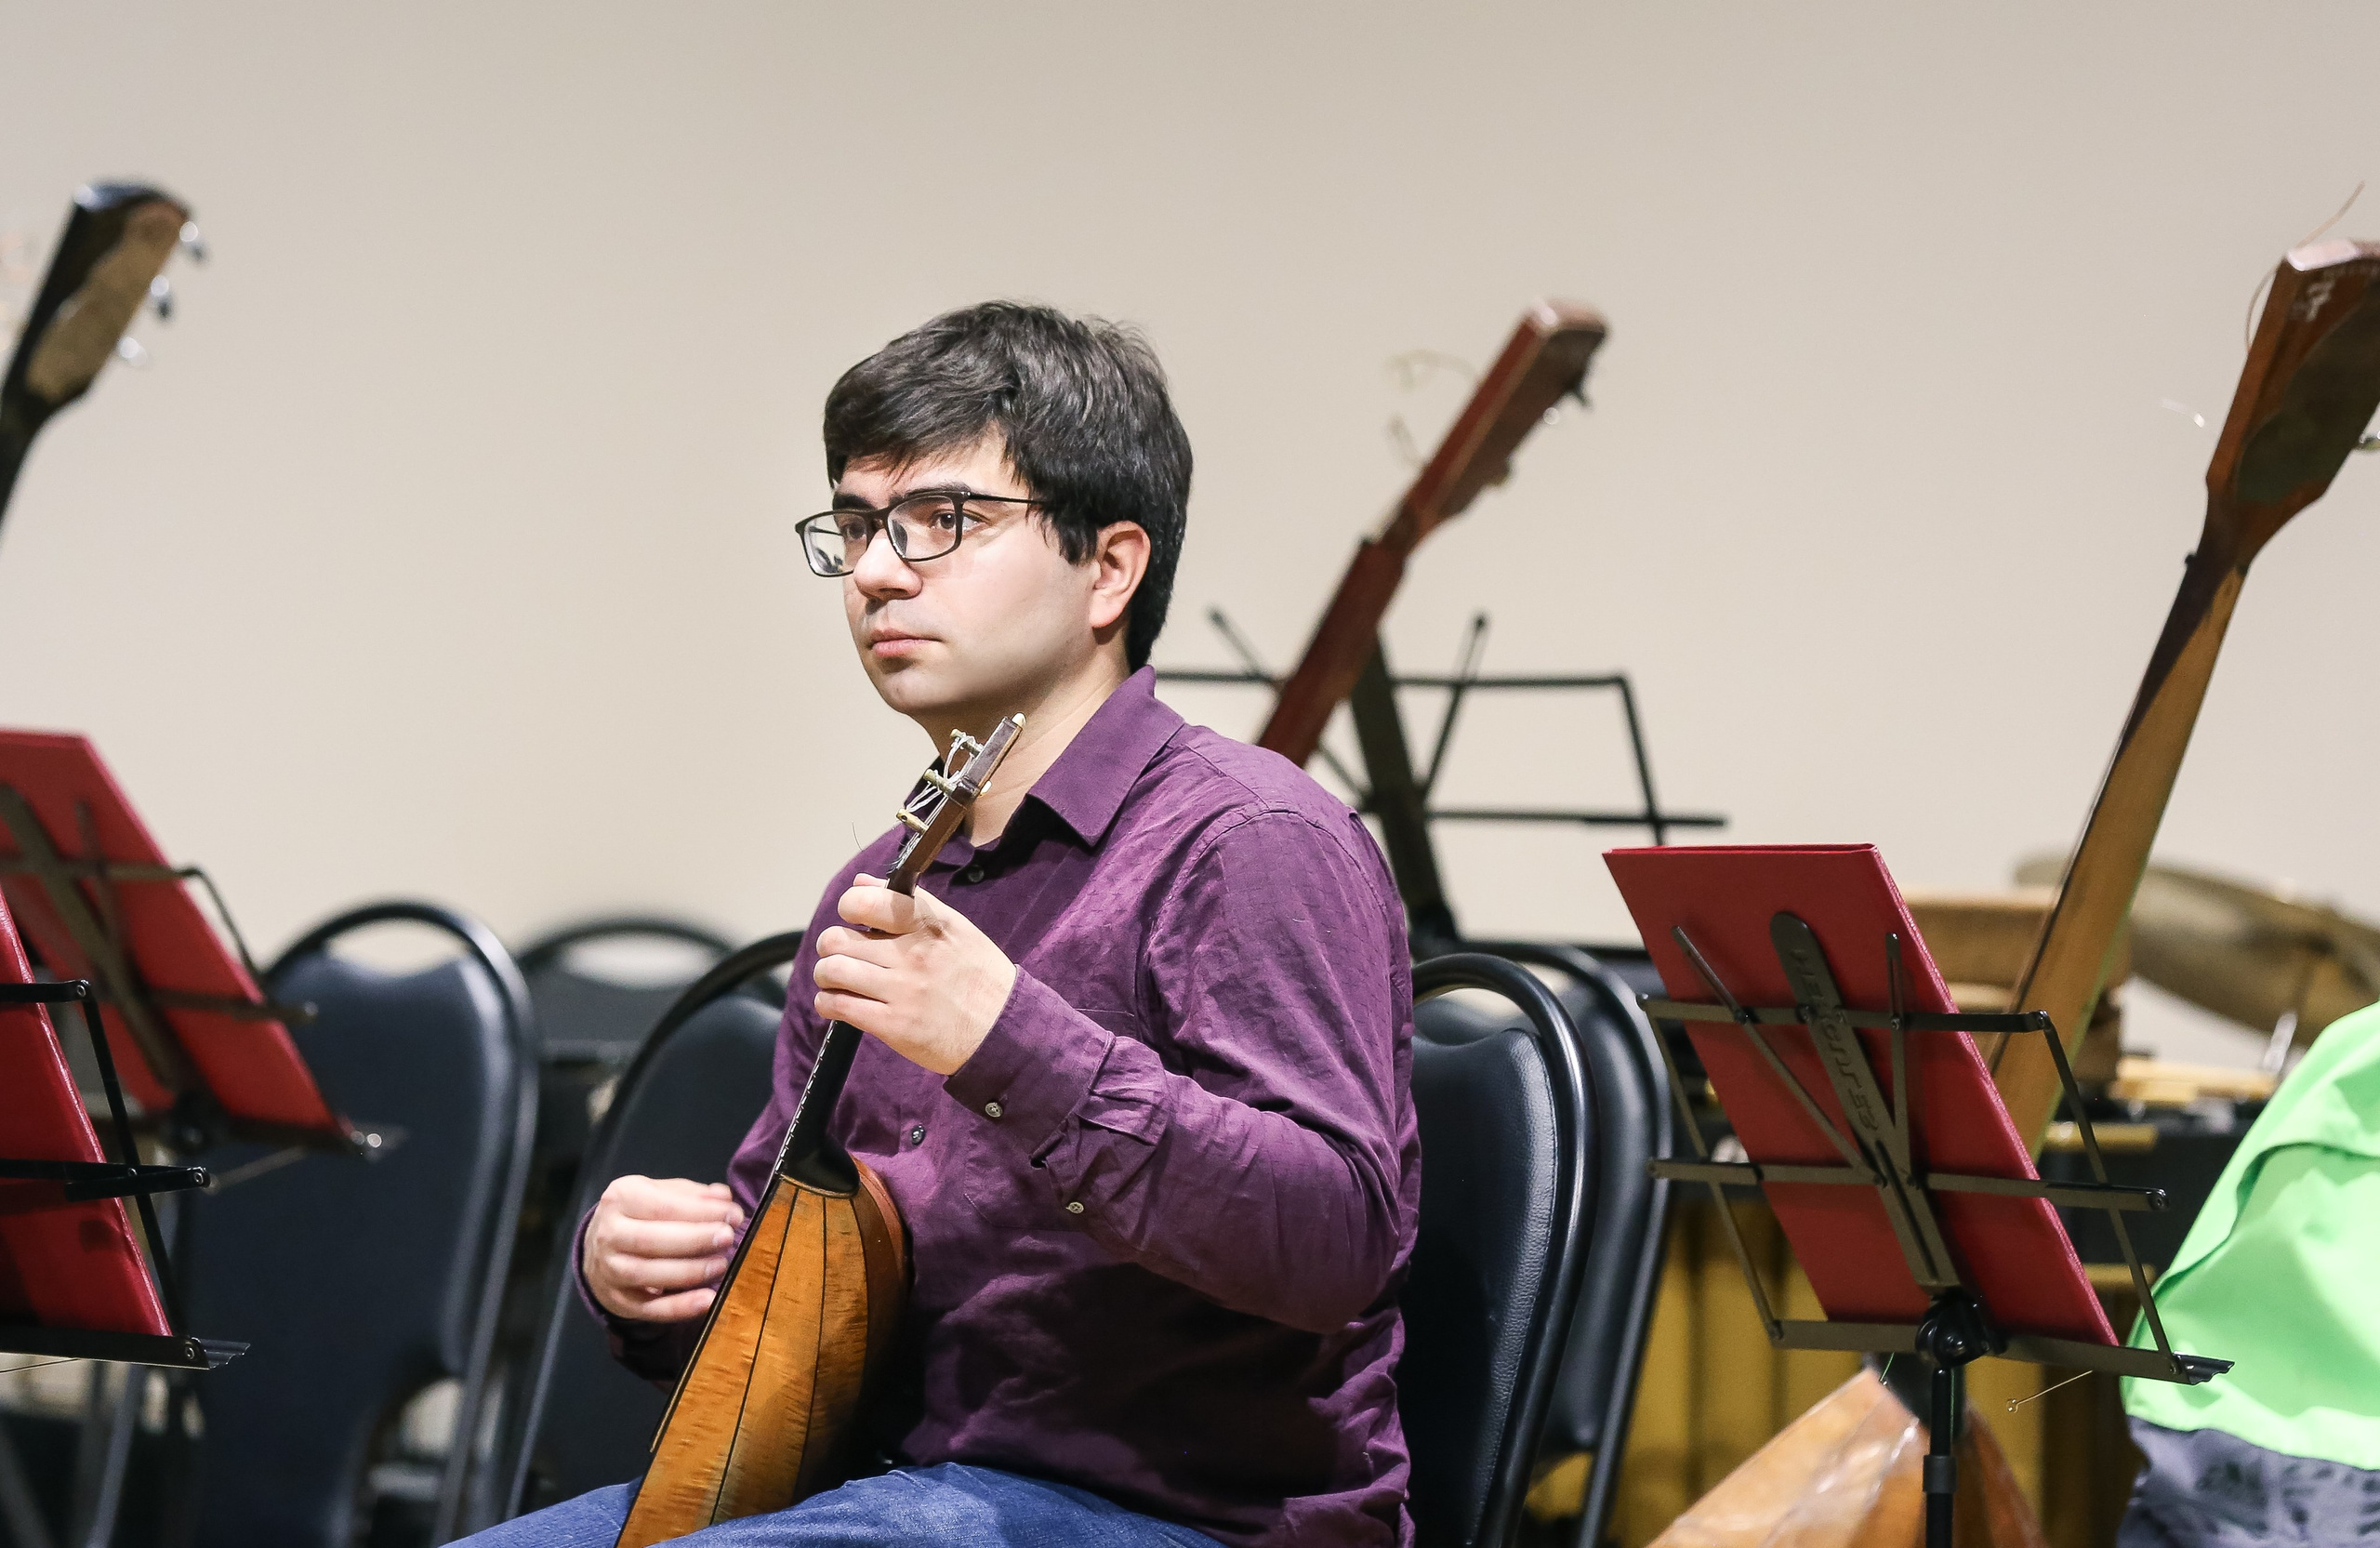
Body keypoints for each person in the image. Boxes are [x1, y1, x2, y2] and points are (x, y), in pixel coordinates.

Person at [464, 303, 1419, 1547]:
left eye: (942, 521)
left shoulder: (1249, 840)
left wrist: (1007, 1037)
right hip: (887, 1491)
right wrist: (652, 1282)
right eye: (857, 526)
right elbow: (795, 1299)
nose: (873, 570)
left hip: (1184, 1517)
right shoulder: (883, 882)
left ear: (1111, 568)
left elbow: (1339, 1235)